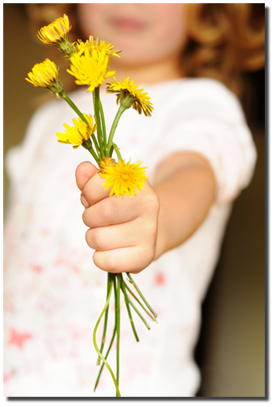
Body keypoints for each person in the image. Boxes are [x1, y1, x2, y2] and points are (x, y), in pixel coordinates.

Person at [3, 3, 265, 397]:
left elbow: (195, 169)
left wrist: (157, 221)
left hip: (129, 386)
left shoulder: (201, 104)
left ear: (211, 9)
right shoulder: (49, 121)